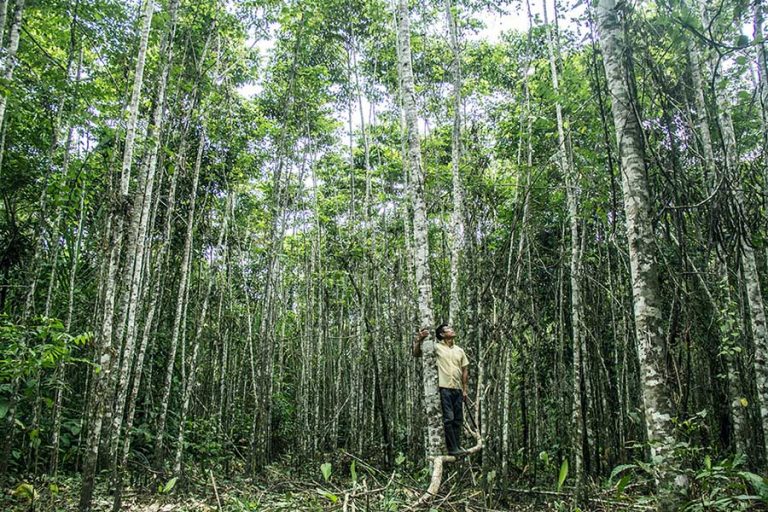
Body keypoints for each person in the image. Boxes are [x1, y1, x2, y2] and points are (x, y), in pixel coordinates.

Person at [412, 324, 469, 456]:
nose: (452, 330)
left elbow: (465, 370)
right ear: (442, 335)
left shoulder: (459, 350)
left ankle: (457, 446)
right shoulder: (436, 347)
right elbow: (416, 354)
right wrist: (419, 339)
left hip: (457, 389)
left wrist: (465, 389)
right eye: (448, 329)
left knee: (458, 419)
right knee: (448, 418)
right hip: (444, 389)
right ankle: (452, 447)